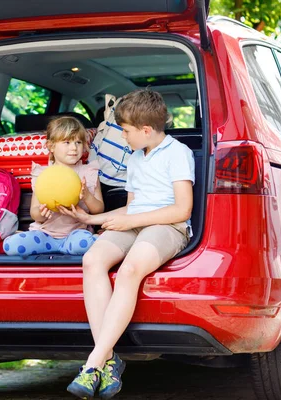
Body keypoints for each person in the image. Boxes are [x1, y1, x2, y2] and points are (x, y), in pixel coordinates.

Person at [59, 89, 195, 399]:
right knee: (92, 261)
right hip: (134, 222)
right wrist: (92, 219)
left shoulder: (178, 153)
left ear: (146, 130)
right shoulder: (135, 157)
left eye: (126, 130)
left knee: (130, 269)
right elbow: (130, 207)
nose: (122, 136)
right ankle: (109, 360)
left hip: (168, 226)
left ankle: (94, 361)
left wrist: (130, 222)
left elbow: (182, 209)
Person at [3, 116, 104, 257]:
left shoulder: (89, 172)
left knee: (85, 243)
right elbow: (34, 213)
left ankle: (73, 246)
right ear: (51, 146)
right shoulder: (43, 175)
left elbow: (99, 210)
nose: (74, 148)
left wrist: (87, 196)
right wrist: (42, 213)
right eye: (67, 142)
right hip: (45, 235)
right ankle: (52, 247)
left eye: (78, 142)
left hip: (75, 235)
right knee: (11, 246)